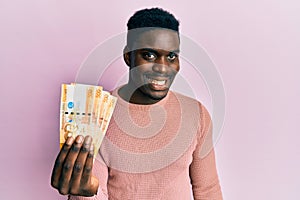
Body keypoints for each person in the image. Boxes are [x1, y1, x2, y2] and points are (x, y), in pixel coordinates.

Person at [51, 8, 223, 200]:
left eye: (171, 56)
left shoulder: (196, 114)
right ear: (128, 56)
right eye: (149, 55)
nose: (162, 67)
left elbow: (207, 190)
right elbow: (93, 191)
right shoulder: (96, 116)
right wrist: (86, 194)